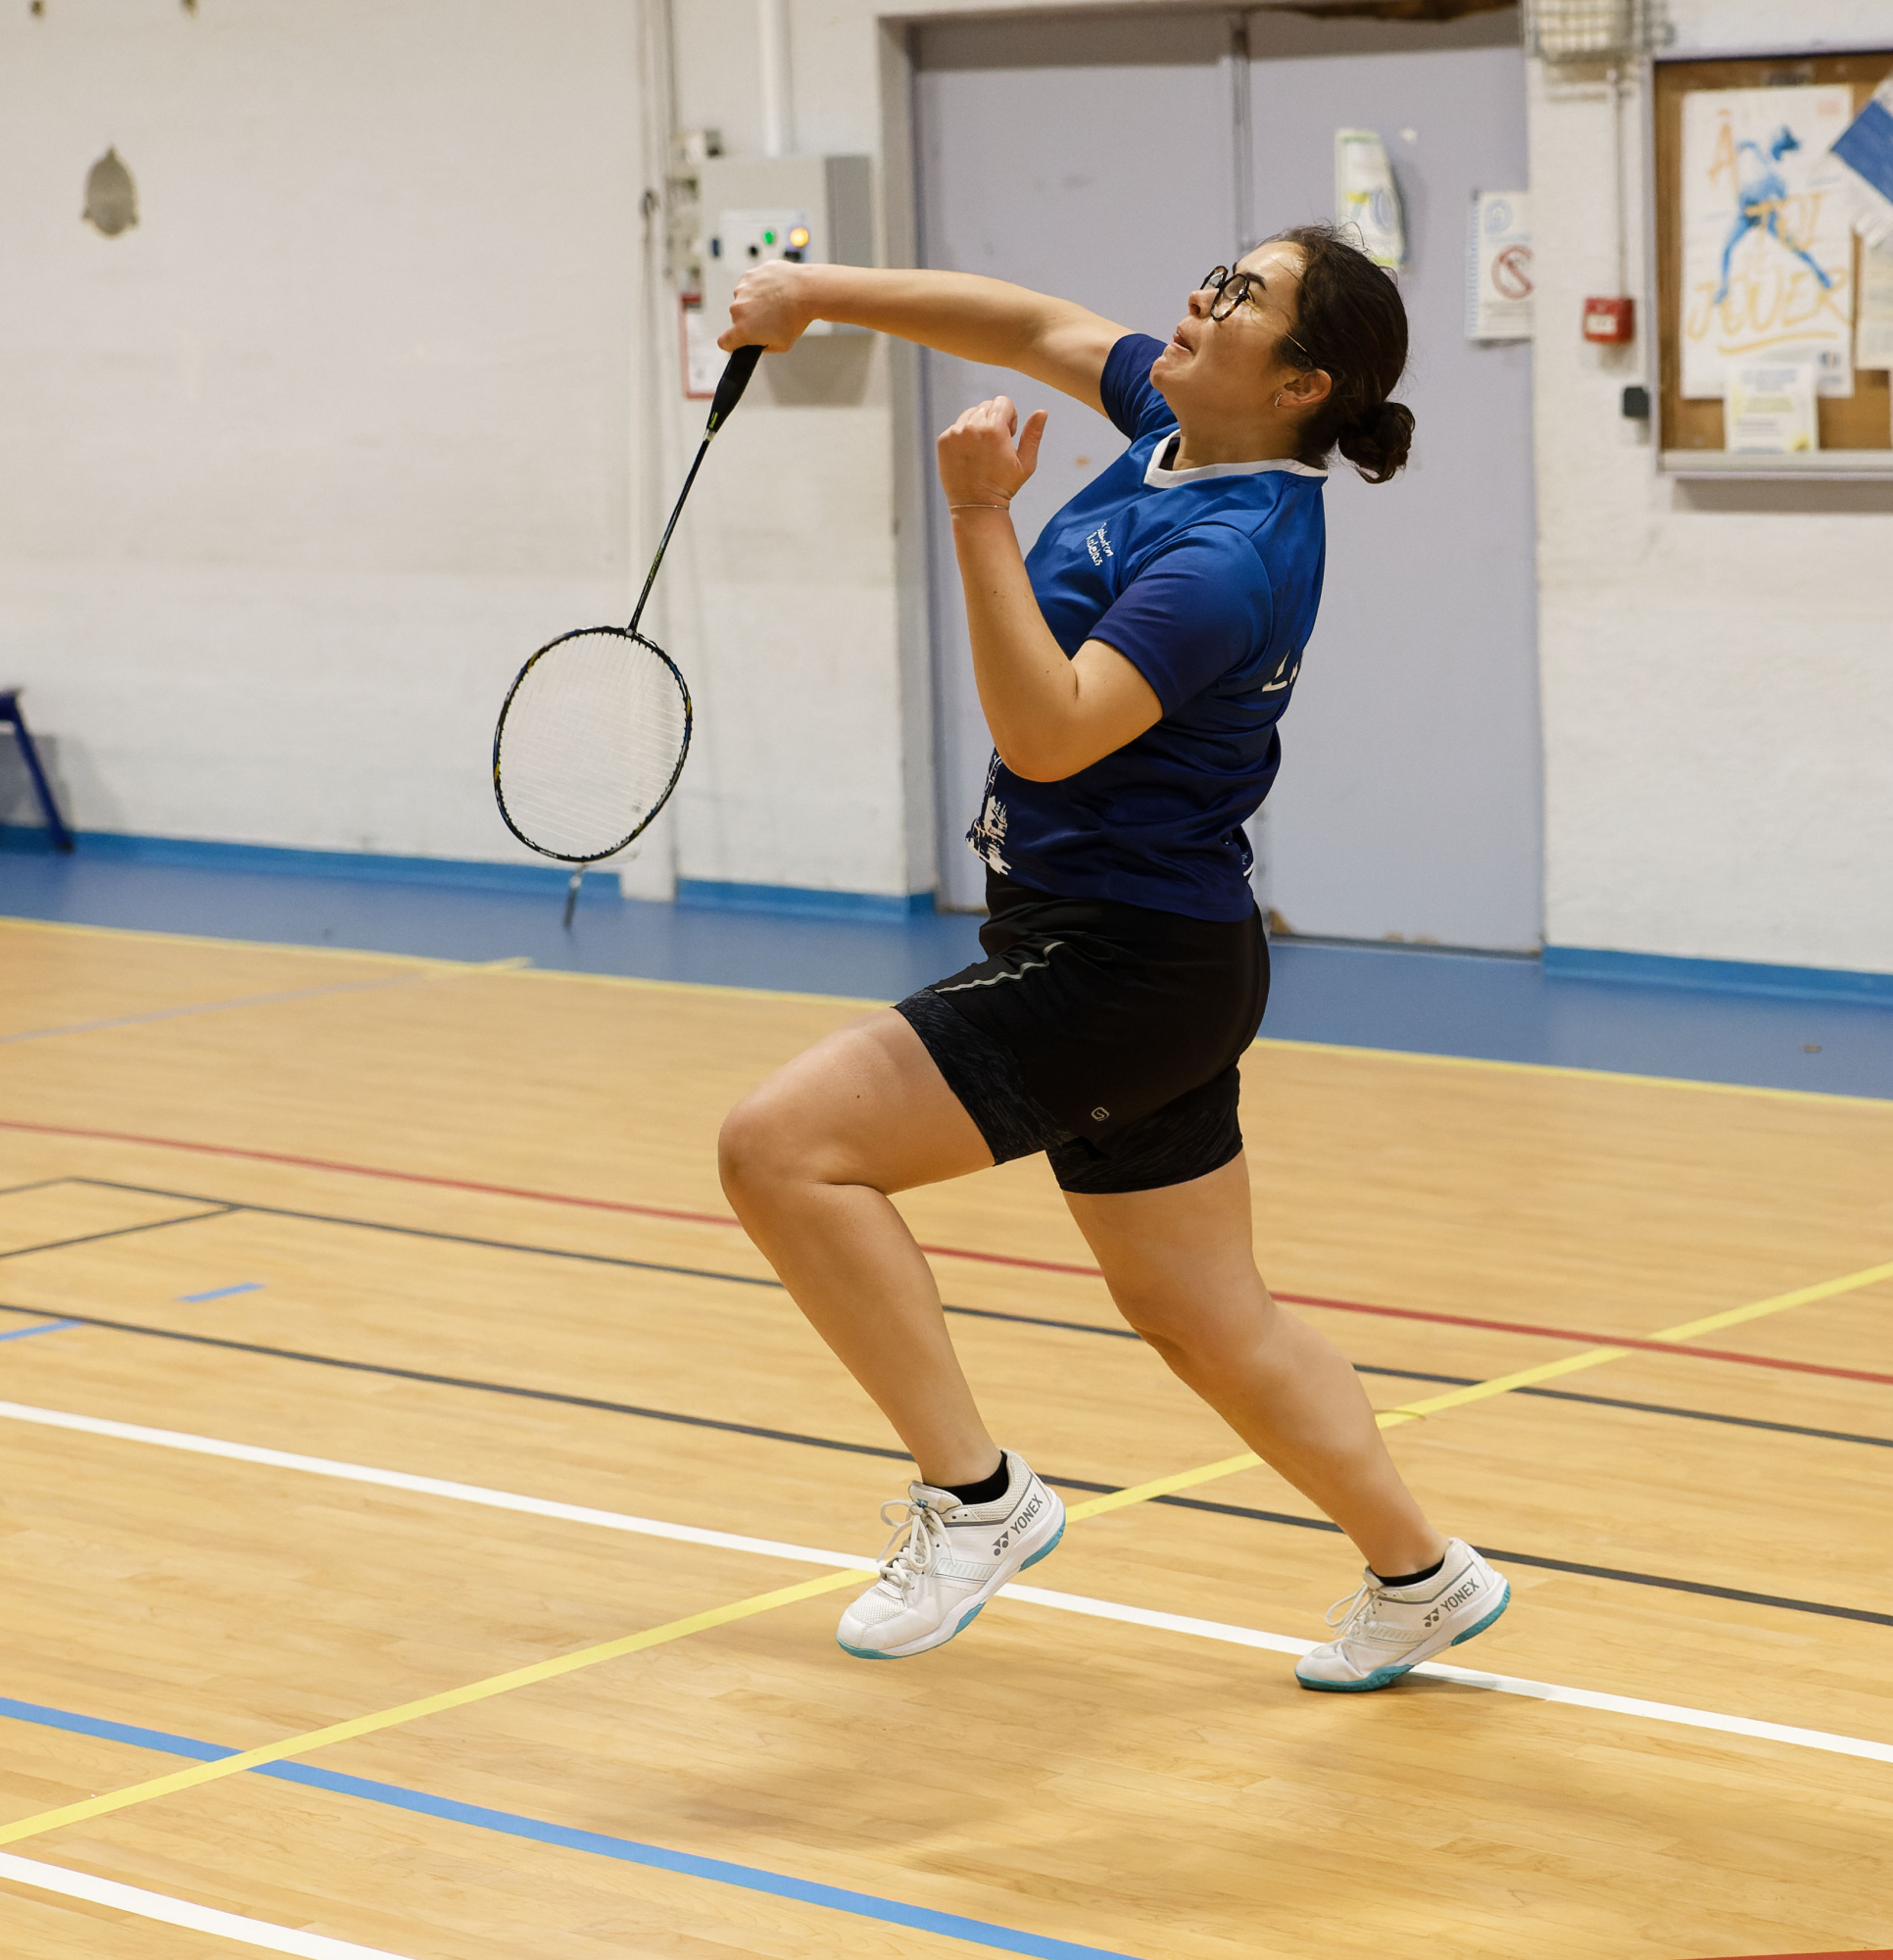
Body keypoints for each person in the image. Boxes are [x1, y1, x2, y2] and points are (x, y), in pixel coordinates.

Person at [714, 226, 1509, 1691]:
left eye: (1245, 298)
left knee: (781, 1151)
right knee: (1206, 1318)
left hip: (1120, 966)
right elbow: (1031, 325)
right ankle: (1422, 1576)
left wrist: (978, 517)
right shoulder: (1173, 428)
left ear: (1301, 384)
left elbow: (1051, 734)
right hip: (1167, 956)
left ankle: (977, 1500)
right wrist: (817, 294)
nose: (1204, 299)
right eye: (1218, 274)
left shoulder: (1228, 554)